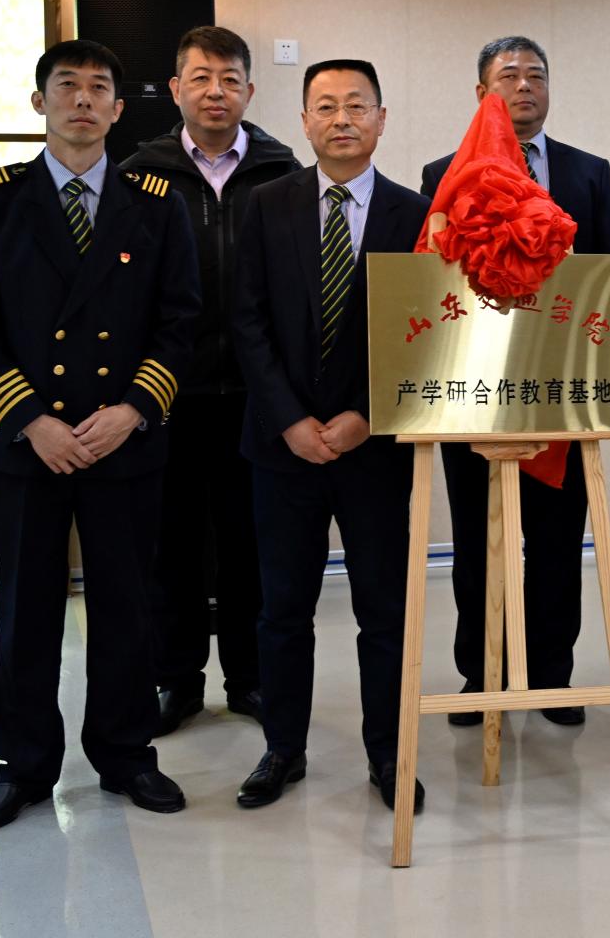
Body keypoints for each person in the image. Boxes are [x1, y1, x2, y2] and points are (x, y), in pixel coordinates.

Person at [0, 39, 201, 833]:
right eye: (67, 86)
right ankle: (23, 766)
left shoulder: (156, 203)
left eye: (99, 89)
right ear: (40, 102)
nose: (83, 100)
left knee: (128, 606)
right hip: (30, 446)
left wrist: (133, 409)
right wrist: (32, 420)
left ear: (120, 110)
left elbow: (180, 322)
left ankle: (126, 754)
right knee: (28, 609)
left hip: (122, 442)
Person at [228, 59, 431, 814]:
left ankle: (389, 752)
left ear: (381, 118)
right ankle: (283, 748)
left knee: (384, 611)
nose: (341, 119)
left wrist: (367, 415)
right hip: (281, 447)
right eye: (325, 106)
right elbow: (246, 319)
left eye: (356, 105)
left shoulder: (417, 215)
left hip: (373, 450)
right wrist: (289, 419)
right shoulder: (266, 204)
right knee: (283, 609)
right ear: (305, 122)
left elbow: (426, 328)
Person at [419, 35, 610, 728]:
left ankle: (552, 677)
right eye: (509, 76)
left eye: (537, 75)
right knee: (478, 542)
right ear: (483, 93)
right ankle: (480, 675)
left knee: (558, 542)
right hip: (473, 395)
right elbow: (432, 281)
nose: (525, 87)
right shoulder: (444, 173)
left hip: (560, 393)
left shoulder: (589, 172)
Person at [121, 26, 300, 738]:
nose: (215, 92)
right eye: (200, 78)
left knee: (252, 541)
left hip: (258, 394)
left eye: (229, 79)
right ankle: (177, 678)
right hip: (169, 392)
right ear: (175, 89)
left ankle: (250, 678)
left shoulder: (283, 171)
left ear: (250, 90)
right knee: (171, 544)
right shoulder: (141, 172)